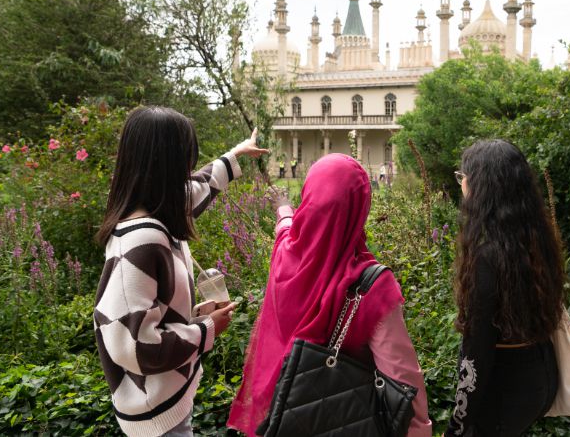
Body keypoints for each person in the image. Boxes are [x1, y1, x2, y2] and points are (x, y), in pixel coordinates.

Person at [93, 106, 268, 437]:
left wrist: (235, 155)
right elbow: (136, 346)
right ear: (167, 167)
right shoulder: (141, 241)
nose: (189, 170)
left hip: (168, 402)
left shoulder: (154, 214)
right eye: (184, 161)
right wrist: (206, 329)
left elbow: (198, 188)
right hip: (156, 416)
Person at [227, 153, 432, 436]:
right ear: (360, 207)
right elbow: (403, 380)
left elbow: (285, 233)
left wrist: (284, 209)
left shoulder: (287, 259)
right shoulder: (373, 287)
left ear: (309, 200)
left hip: (284, 418)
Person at [446, 139, 565, 437]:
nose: (461, 185)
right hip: (540, 379)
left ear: (481, 187)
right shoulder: (534, 241)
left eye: (463, 177)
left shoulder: (488, 257)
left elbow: (477, 355)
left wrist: (456, 428)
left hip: (502, 394)